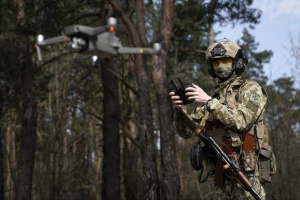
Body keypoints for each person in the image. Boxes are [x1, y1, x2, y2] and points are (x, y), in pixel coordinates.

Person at [169, 40, 275, 199]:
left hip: (246, 173)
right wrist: (180, 111)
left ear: (237, 62)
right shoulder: (214, 99)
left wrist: (209, 102)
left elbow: (242, 121)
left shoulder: (250, 89)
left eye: (225, 61)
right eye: (215, 62)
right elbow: (187, 132)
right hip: (220, 174)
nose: (220, 65)